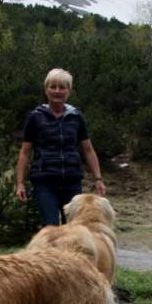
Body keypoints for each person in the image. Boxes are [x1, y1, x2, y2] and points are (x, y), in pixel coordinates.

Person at [16, 68, 106, 226]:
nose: (57, 91)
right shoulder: (35, 117)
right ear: (46, 89)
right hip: (44, 182)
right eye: (53, 86)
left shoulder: (76, 117)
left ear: (69, 91)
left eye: (62, 87)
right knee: (51, 228)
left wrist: (98, 178)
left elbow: (88, 150)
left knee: (74, 229)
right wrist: (20, 183)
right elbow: (25, 153)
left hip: (72, 182)